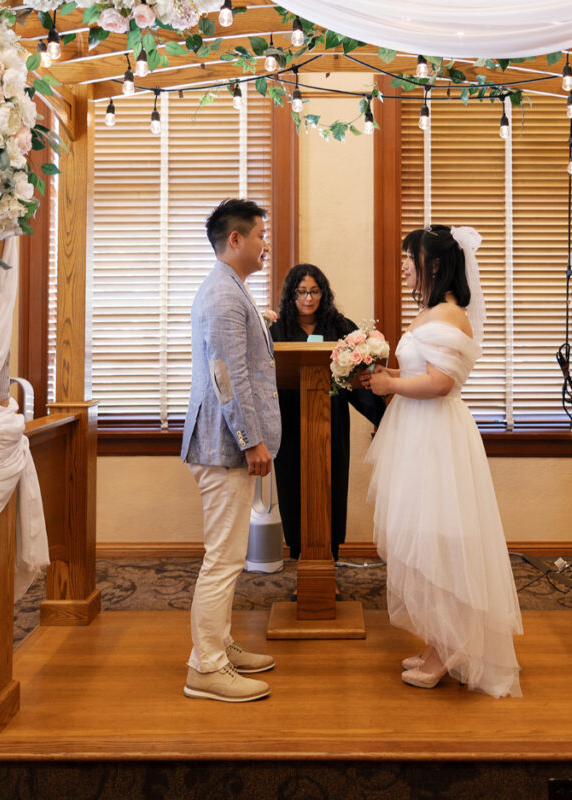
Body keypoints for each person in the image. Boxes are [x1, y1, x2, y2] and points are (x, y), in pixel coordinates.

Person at [361, 224, 523, 698]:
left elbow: (440, 384)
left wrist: (391, 386)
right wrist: (386, 374)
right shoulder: (434, 312)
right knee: (420, 537)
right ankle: (438, 640)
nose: (404, 265)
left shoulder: (451, 314)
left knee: (438, 538)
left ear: (433, 264)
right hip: (415, 433)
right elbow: (420, 373)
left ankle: (450, 647)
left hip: (435, 439)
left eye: (409, 257)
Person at [180, 198, 281, 703]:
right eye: (260, 234)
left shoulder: (231, 288)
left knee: (229, 555)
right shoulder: (222, 294)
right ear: (235, 239)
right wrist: (253, 440)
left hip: (228, 444)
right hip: (225, 446)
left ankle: (218, 644)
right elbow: (228, 378)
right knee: (222, 559)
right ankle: (206, 667)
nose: (266, 244)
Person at [269, 264, 386, 561]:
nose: (309, 298)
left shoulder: (339, 327)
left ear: (324, 293)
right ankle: (301, 560)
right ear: (291, 294)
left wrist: (382, 418)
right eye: (302, 292)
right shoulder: (278, 329)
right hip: (291, 423)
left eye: (315, 291)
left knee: (331, 487)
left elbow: (360, 376)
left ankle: (328, 558)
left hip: (330, 422)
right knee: (293, 488)